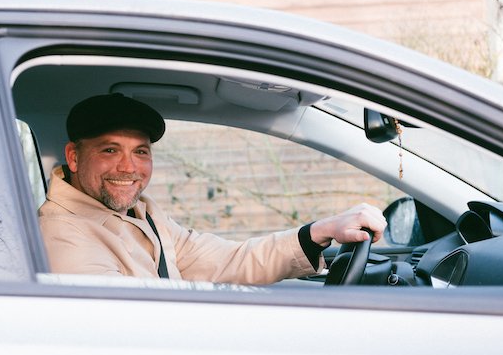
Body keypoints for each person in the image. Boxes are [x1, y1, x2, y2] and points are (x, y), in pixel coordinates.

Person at [38, 93, 387, 284]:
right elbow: (130, 331)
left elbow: (225, 260)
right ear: (74, 157)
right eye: (110, 150)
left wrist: (319, 232)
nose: (129, 167)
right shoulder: (63, 234)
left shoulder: (143, 213)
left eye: (140, 152)